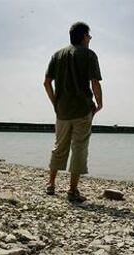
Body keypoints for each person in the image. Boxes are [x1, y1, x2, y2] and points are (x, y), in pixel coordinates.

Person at [43, 22, 103, 203]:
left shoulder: (57, 55)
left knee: (59, 147)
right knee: (79, 149)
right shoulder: (89, 55)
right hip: (82, 109)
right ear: (84, 36)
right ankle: (72, 190)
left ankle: (51, 185)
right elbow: (95, 82)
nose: (90, 39)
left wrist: (55, 103)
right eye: (89, 36)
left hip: (61, 110)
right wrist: (100, 104)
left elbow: (47, 82)